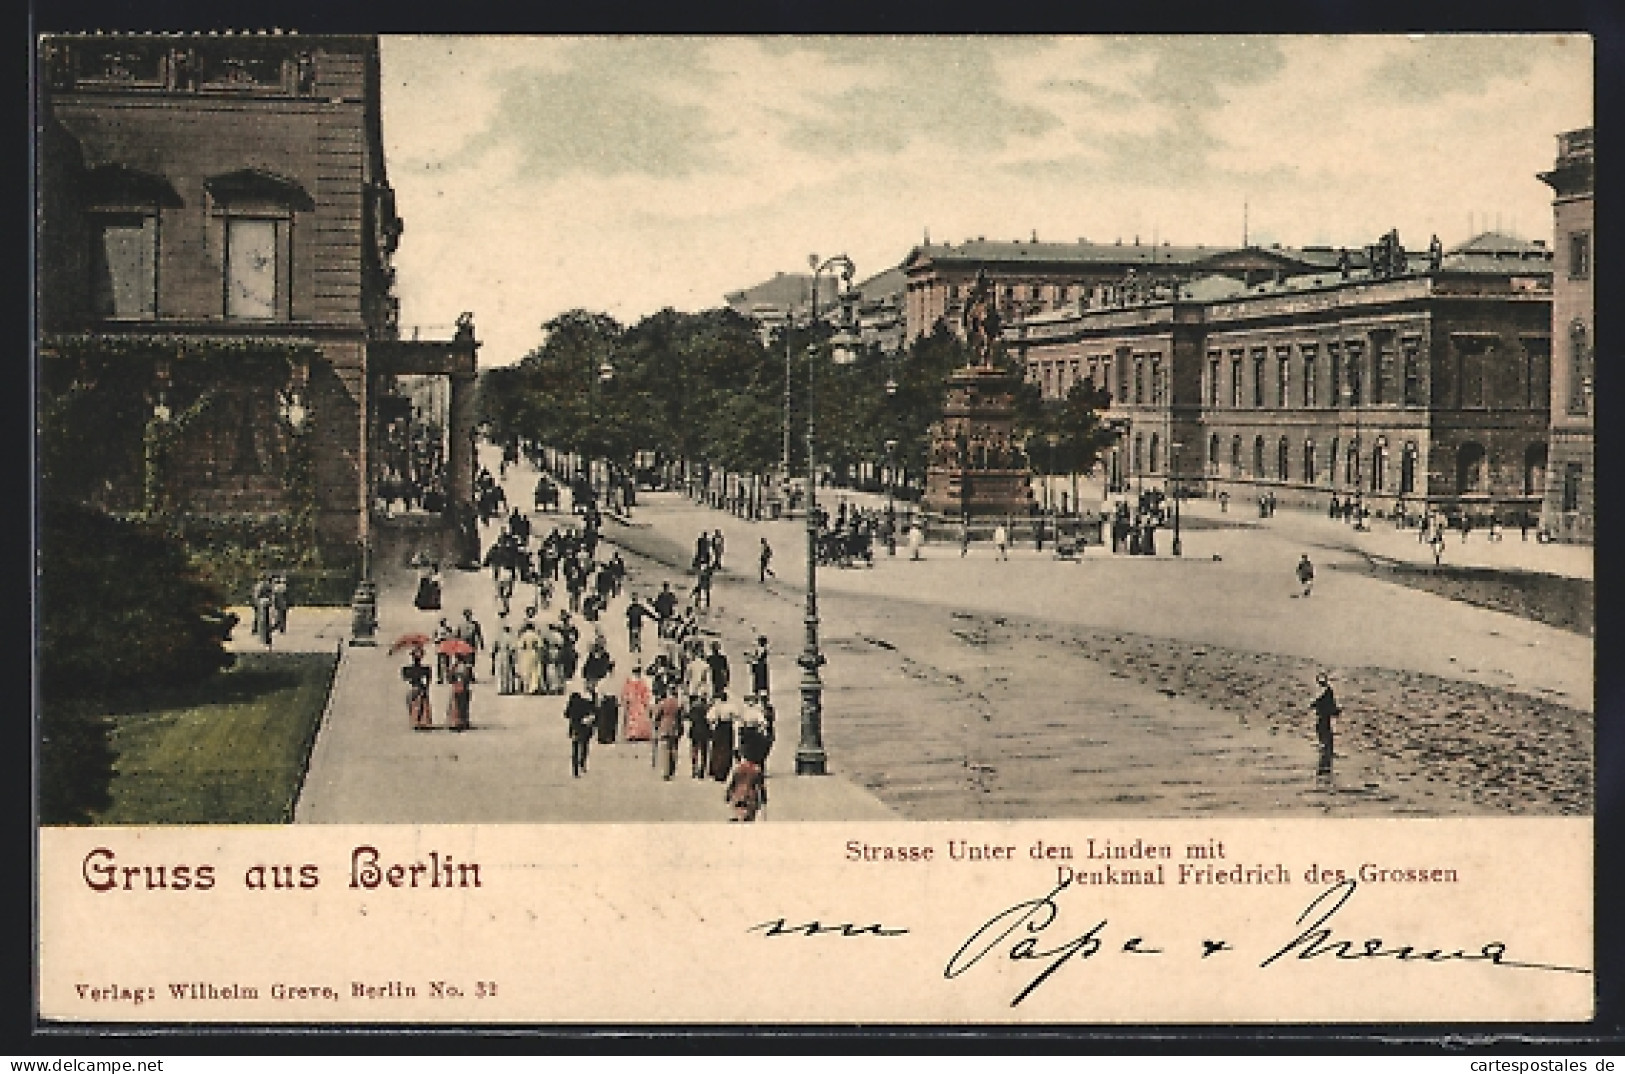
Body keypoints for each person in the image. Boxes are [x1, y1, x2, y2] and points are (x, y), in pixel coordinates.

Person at [1309, 672, 1341, 775]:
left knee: (1322, 729)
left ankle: (1326, 747)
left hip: (1324, 715)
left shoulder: (1327, 692)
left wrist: (1315, 704)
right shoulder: (1328, 691)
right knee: (1324, 729)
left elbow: (1322, 701)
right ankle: (1326, 747)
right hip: (1325, 715)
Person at [707, 691, 742, 782]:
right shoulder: (730, 706)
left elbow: (710, 718)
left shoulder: (717, 707)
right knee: (726, 749)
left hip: (720, 727)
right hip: (727, 728)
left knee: (718, 749)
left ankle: (717, 770)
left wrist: (713, 723)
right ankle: (723, 771)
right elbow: (737, 715)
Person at [564, 683, 596, 777]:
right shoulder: (589, 700)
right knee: (584, 745)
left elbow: (566, 714)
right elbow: (594, 712)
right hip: (585, 726)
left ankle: (575, 770)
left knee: (575, 748)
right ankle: (582, 763)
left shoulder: (573, 699)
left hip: (575, 726)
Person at [654, 687, 684, 780]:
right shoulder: (678, 704)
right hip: (675, 728)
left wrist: (656, 725)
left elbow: (657, 716)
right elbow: (680, 717)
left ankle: (666, 772)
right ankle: (672, 770)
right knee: (674, 749)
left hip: (664, 727)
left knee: (665, 750)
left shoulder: (663, 703)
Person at [725, 756, 766, 822]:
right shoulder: (756, 769)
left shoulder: (738, 769)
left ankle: (738, 818)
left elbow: (732, 783)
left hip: (738, 794)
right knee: (750, 813)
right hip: (751, 795)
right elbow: (760, 786)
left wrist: (728, 794)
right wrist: (763, 798)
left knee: (738, 808)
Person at [402, 647, 433, 731]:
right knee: (422, 704)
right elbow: (429, 680)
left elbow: (405, 678)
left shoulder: (407, 669)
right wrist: (426, 687)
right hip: (421, 687)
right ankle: (422, 721)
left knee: (412, 704)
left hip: (414, 688)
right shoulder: (425, 669)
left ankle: (415, 721)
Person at [621, 665, 653, 744]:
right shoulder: (634, 682)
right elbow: (626, 692)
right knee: (635, 717)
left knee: (637, 717)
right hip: (636, 702)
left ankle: (637, 734)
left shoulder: (636, 682)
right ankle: (635, 734)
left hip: (637, 702)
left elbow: (645, 692)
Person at [516, 618, 544, 695]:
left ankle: (526, 688)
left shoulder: (524, 635)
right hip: (534, 652)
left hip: (526, 653)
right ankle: (534, 687)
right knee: (534, 671)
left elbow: (520, 646)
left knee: (526, 670)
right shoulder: (535, 635)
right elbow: (540, 646)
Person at [445, 656, 473, 732]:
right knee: (463, 706)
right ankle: (463, 721)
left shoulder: (454, 667)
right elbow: (470, 678)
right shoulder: (467, 667)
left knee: (455, 705)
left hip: (456, 688)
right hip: (464, 689)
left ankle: (455, 722)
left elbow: (449, 679)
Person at [491, 623, 519, 695]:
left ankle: (501, 689)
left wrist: (493, 658)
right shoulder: (510, 638)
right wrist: (514, 659)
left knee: (500, 672)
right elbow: (513, 649)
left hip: (499, 655)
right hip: (507, 655)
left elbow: (494, 648)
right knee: (508, 672)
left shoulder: (498, 638)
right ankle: (508, 689)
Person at [251, 575, 275, 649]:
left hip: (261, 605)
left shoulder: (259, 586)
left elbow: (256, 596)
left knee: (261, 620)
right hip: (264, 605)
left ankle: (261, 635)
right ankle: (265, 637)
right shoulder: (266, 586)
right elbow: (270, 596)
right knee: (264, 621)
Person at [746, 635, 771, 700]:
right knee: (762, 679)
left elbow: (758, 657)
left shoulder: (762, 649)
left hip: (760, 666)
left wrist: (750, 657)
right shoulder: (764, 649)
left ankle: (758, 694)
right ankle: (764, 694)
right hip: (762, 665)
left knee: (759, 679)